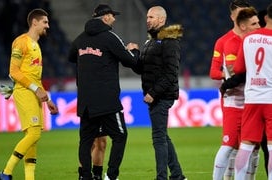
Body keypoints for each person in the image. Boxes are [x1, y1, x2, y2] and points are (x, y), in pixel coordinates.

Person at [68, 4, 139, 180]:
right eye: (112, 16)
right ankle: (111, 176)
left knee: (86, 141)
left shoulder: (79, 39)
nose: (114, 19)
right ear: (105, 17)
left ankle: (86, 177)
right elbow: (130, 61)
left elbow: (71, 57)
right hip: (107, 100)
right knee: (120, 136)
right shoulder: (110, 37)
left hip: (86, 101)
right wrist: (134, 50)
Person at [0, 8, 58, 180]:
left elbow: (35, 77)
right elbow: (13, 72)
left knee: (33, 136)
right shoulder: (21, 42)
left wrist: (48, 99)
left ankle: (29, 178)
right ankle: (6, 172)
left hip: (33, 92)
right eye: (45, 22)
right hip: (24, 91)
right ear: (34, 22)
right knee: (34, 134)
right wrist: (35, 89)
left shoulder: (36, 46)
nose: (48, 25)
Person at [133, 6, 186, 180]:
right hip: (155, 95)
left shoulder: (170, 41)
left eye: (152, 17)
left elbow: (171, 73)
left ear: (162, 20)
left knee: (158, 137)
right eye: (147, 16)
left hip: (162, 96)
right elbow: (141, 68)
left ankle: (161, 177)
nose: (147, 19)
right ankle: (177, 175)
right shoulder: (150, 42)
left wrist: (153, 93)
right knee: (162, 135)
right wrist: (134, 53)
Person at [209, 1, 259, 179]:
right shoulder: (224, 42)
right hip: (233, 100)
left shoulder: (256, 40)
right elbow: (213, 72)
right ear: (232, 17)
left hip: (254, 100)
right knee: (232, 144)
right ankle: (227, 177)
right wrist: (228, 75)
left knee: (253, 145)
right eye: (240, 14)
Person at [233, 2, 272, 179]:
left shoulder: (248, 39)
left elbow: (238, 68)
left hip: (253, 98)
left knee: (246, 144)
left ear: (266, 17)